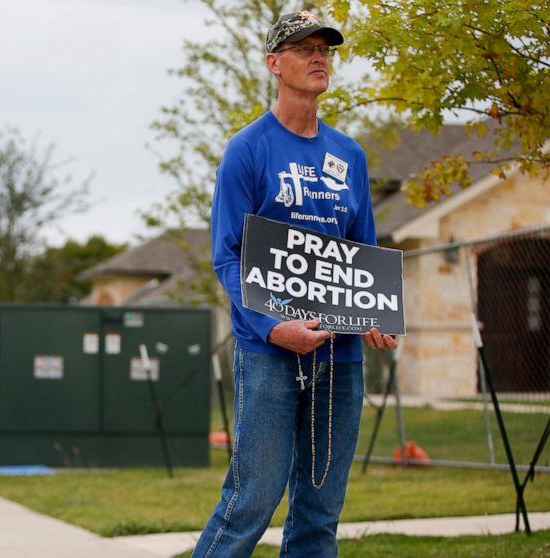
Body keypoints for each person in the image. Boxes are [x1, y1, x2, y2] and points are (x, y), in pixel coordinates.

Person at [191, 12, 398, 558]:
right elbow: (227, 257)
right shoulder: (247, 150)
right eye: (303, 48)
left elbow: (362, 259)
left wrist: (375, 315)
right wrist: (272, 326)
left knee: (320, 510)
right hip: (269, 352)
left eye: (325, 49)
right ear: (274, 63)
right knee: (251, 502)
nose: (318, 57)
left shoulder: (349, 156)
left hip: (339, 355)